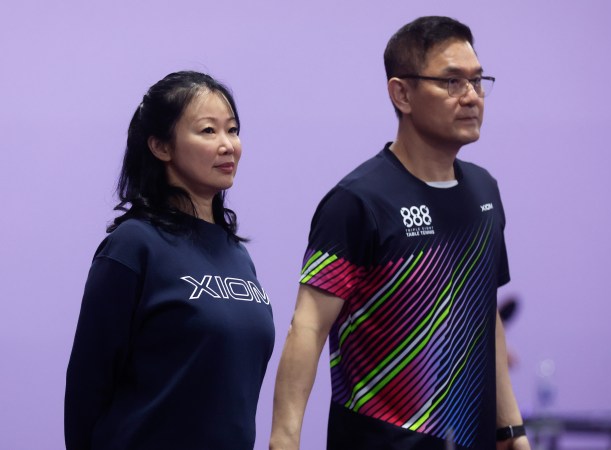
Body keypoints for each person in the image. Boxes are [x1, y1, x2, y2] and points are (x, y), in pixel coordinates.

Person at [270, 16, 530, 450]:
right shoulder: (358, 201)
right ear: (402, 93)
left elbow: (488, 319)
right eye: (451, 82)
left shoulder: (485, 191)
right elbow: (308, 327)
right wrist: (284, 440)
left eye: (478, 80)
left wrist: (511, 431)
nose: (471, 96)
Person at [65, 71, 275, 450]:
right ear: (161, 146)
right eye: (208, 131)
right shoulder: (134, 245)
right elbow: (87, 389)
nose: (228, 145)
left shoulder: (237, 254)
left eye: (233, 129)